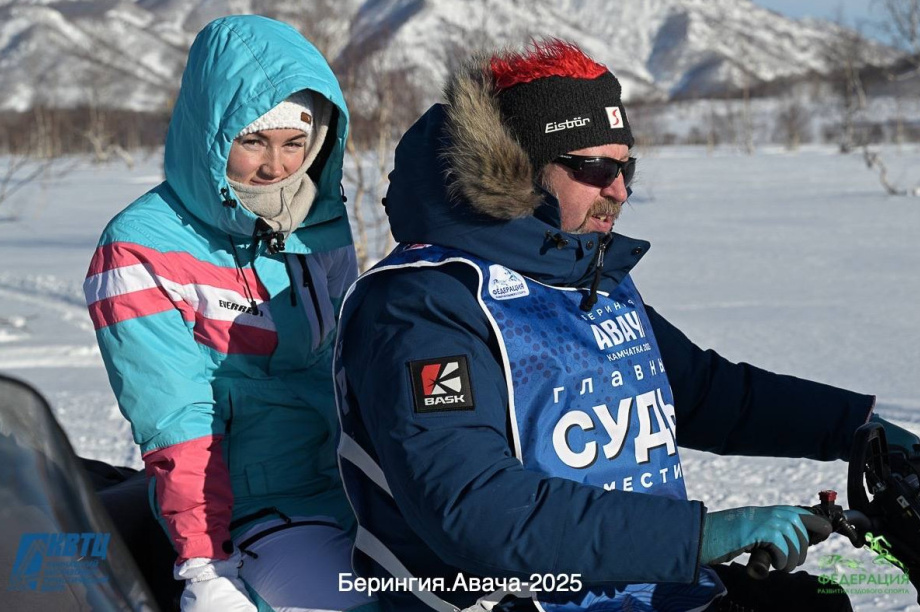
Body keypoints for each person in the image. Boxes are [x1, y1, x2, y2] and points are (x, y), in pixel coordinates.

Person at [332, 40, 920, 611]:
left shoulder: (584, 270)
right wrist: (699, 538)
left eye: (625, 166)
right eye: (594, 167)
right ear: (518, 170)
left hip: (640, 587)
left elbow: (700, 391)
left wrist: (855, 428)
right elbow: (475, 507)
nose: (618, 190)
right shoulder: (423, 303)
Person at [83, 15, 376, 612]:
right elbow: (179, 418)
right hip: (250, 506)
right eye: (252, 142)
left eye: (296, 144)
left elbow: (352, 362)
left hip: (352, 489)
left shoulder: (316, 222)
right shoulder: (139, 248)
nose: (276, 168)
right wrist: (207, 567)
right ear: (212, 133)